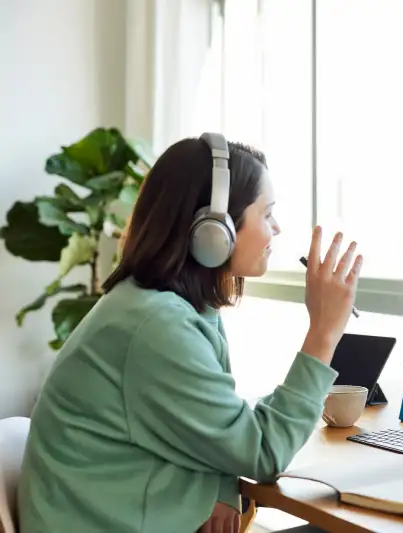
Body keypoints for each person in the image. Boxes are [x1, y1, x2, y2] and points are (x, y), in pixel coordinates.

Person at [16, 134, 362, 533]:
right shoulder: (157, 326)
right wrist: (323, 331)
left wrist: (219, 486)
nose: (277, 229)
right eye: (267, 214)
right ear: (216, 228)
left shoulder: (166, 307)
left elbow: (213, 422)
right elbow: (265, 451)